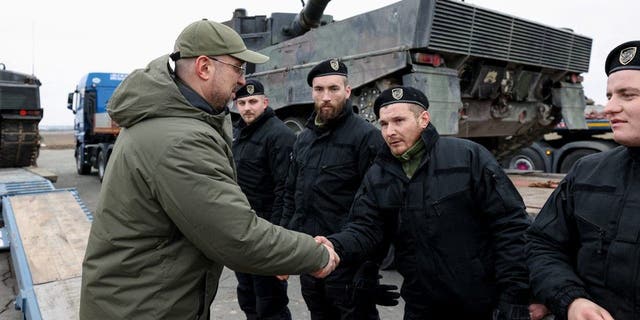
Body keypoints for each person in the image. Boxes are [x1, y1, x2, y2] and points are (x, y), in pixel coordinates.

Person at [79, 19, 340, 320]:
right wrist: (314, 254)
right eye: (238, 68)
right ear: (204, 68)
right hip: (144, 309)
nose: (242, 80)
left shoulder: (169, 122)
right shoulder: (179, 140)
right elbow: (237, 236)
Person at [319, 86, 548, 319]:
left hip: (480, 302)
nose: (390, 131)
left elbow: (510, 226)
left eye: (399, 120)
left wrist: (515, 296)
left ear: (423, 119)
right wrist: (335, 245)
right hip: (422, 304)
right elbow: (365, 228)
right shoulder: (378, 175)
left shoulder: (468, 158)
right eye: (384, 124)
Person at [525, 40, 640, 320]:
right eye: (610, 95)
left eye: (627, 95)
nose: (609, 108)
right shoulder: (587, 172)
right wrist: (570, 299)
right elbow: (542, 245)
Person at [279, 58, 386, 319]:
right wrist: (283, 250)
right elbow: (291, 197)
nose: (326, 97)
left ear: (348, 91)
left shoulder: (366, 137)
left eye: (334, 89)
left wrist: (369, 267)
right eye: (319, 90)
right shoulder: (303, 140)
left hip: (348, 262)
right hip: (310, 258)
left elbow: (380, 208)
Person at [231, 79, 296, 320]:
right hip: (242, 233)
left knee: (271, 303)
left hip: (266, 234)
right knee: (248, 297)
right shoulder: (238, 133)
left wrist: (278, 238)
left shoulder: (279, 135)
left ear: (265, 102)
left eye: (253, 102)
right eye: (242, 103)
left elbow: (285, 190)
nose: (247, 108)